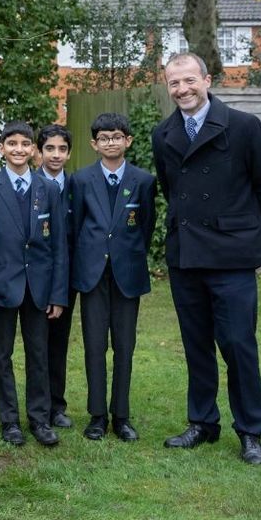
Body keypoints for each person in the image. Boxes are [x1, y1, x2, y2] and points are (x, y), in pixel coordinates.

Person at [152, 52, 261, 465]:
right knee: (196, 346)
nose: (182, 89)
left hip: (232, 259)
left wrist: (244, 237)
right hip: (186, 257)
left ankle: (250, 432)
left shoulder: (244, 127)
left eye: (189, 80)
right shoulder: (163, 133)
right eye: (174, 83)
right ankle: (202, 423)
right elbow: (170, 191)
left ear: (207, 80)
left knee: (238, 345)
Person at [0, 122, 68, 447]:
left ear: (33, 150)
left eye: (24, 144)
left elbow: (58, 244)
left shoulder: (48, 189)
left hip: (39, 287)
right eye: (11, 143)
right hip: (1, 286)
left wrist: (58, 293)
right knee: (2, 356)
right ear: (1, 148)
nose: (18, 149)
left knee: (39, 355)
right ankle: (10, 421)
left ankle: (40, 419)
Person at [70, 113, 157, 442]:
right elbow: (77, 227)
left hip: (127, 275)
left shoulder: (143, 181)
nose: (111, 143)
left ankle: (121, 415)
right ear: (94, 144)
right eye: (104, 138)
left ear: (128, 141)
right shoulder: (80, 180)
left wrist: (128, 253)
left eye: (117, 137)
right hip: (92, 275)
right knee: (94, 346)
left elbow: (145, 228)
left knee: (124, 346)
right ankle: (96, 415)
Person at [37, 123, 77, 429]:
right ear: (39, 151)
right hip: (34, 278)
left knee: (58, 343)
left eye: (62, 149)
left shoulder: (78, 186)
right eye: (49, 148)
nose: (56, 155)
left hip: (66, 278)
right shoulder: (31, 184)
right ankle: (36, 404)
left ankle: (57, 405)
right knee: (37, 345)